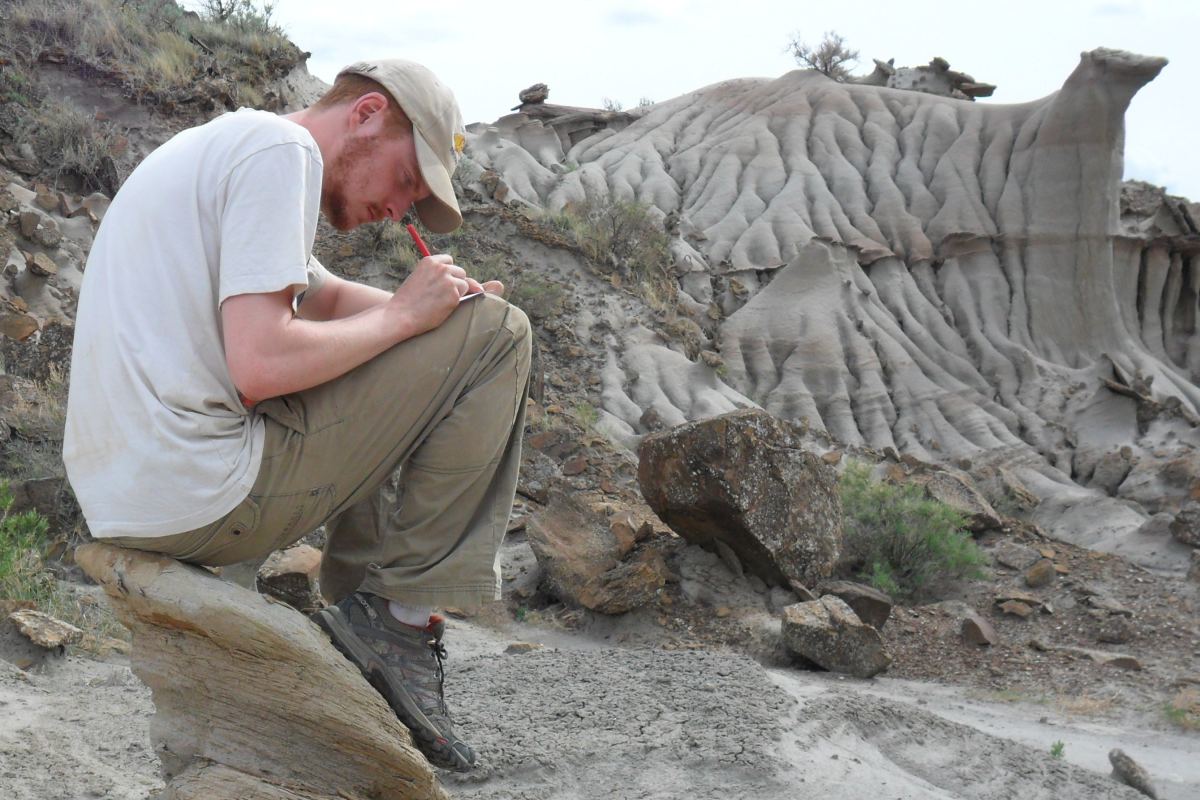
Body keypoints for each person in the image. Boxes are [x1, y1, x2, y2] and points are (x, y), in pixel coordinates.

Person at [63, 58, 531, 772]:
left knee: (461, 333)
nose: (401, 210)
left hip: (136, 489)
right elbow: (261, 364)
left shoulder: (226, 148)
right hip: (201, 488)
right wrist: (435, 323)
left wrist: (449, 320)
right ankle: (398, 627)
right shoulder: (281, 154)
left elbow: (330, 299)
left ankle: (358, 638)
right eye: (408, 180)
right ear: (368, 115)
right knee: (508, 338)